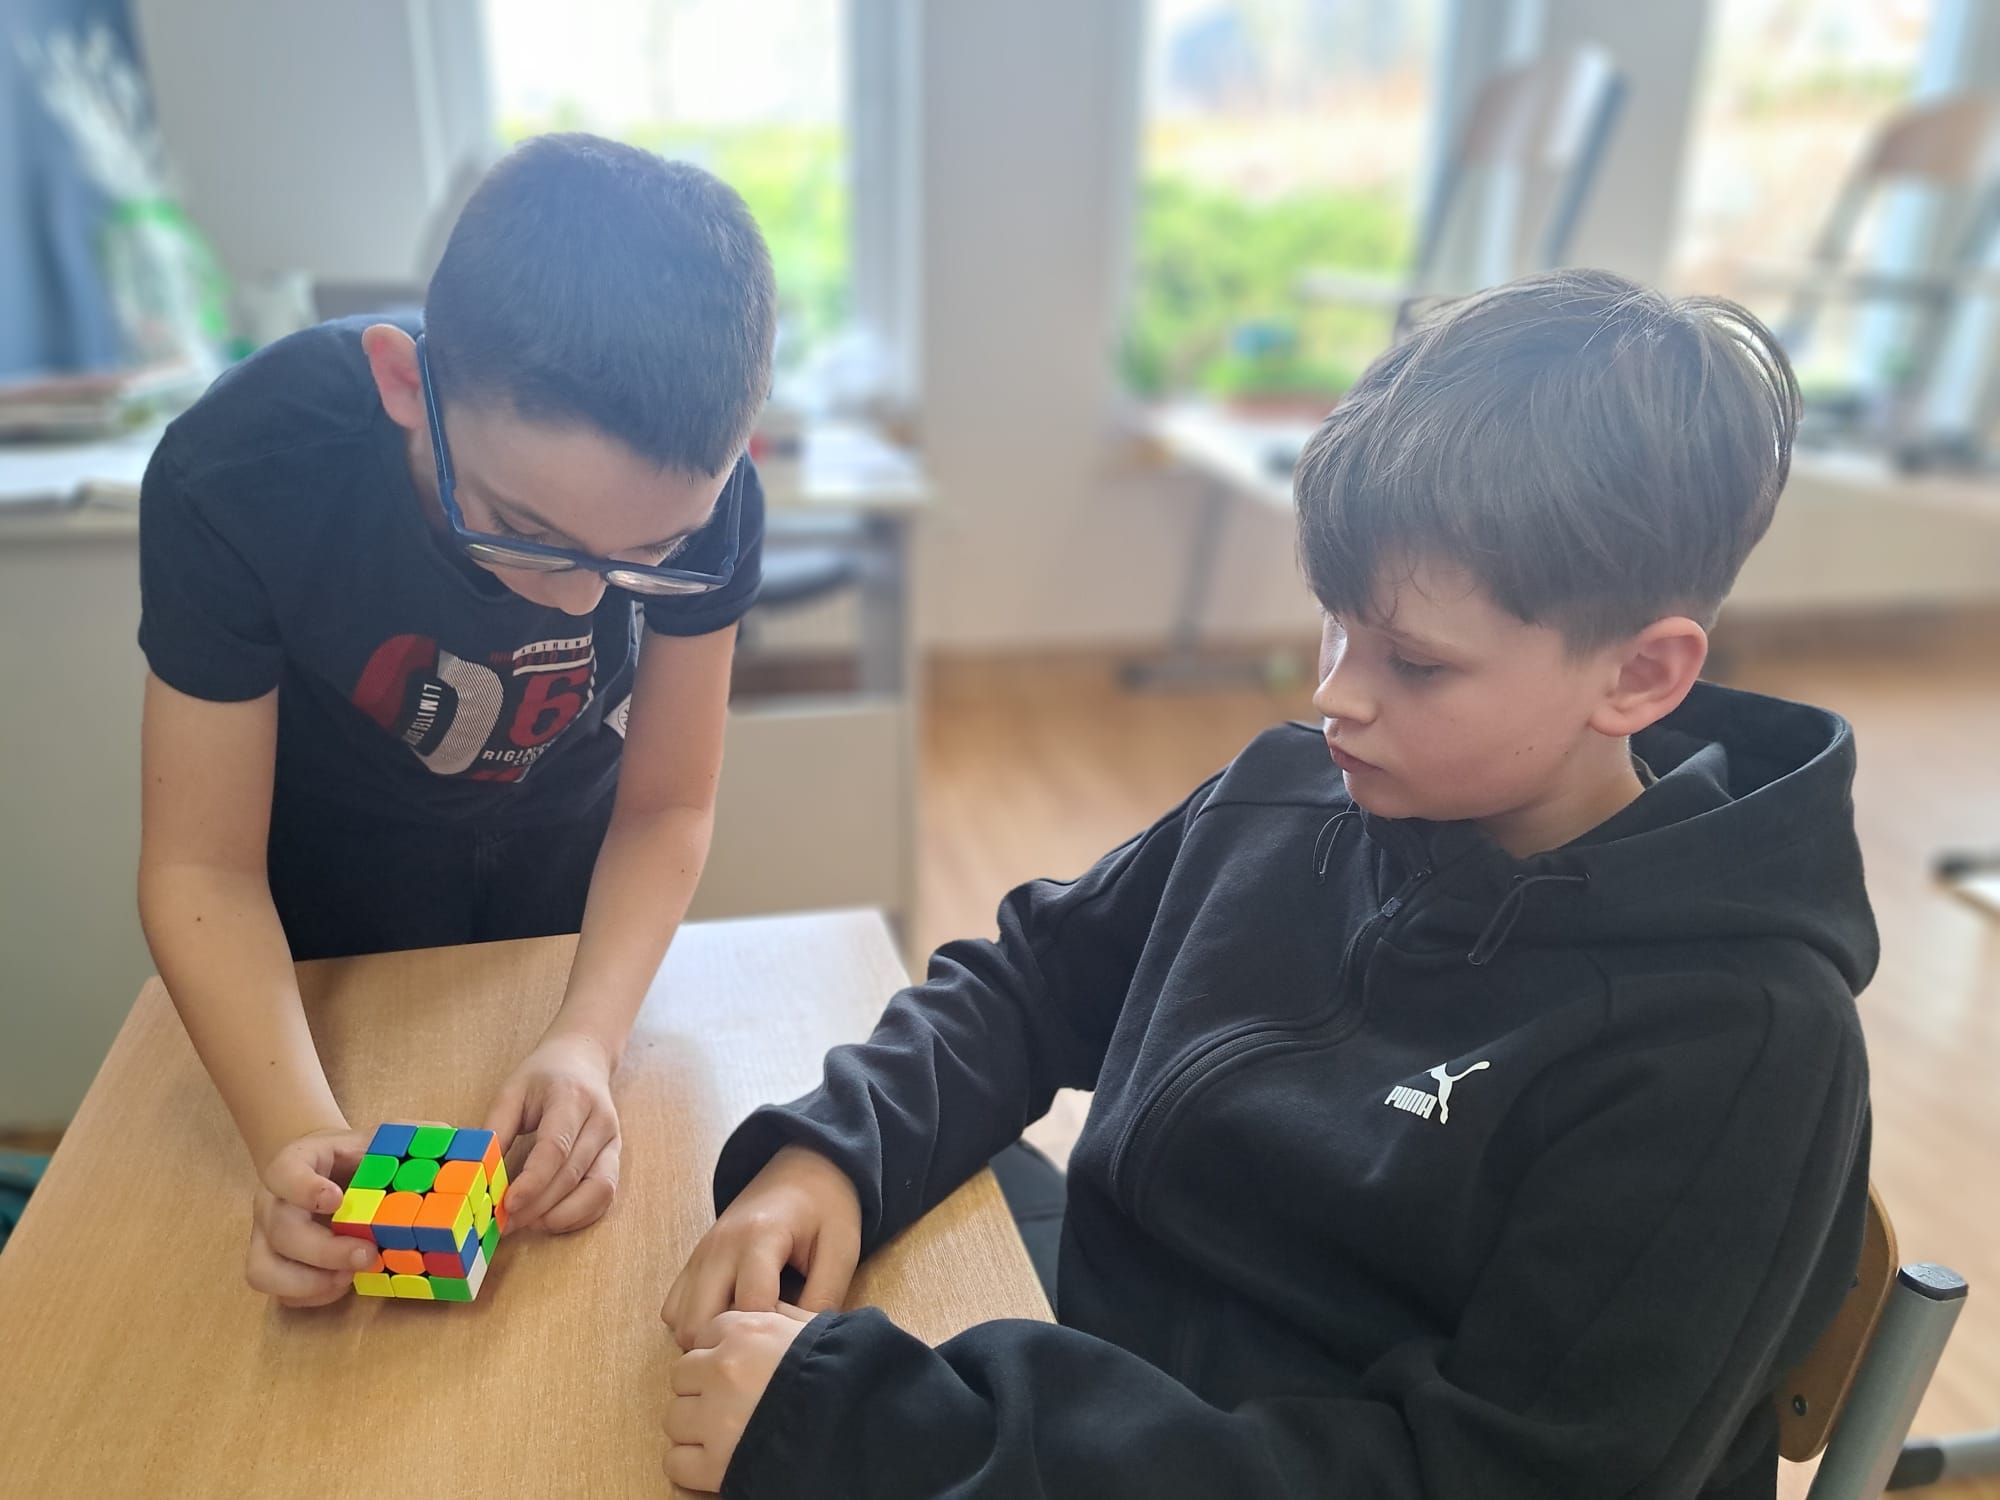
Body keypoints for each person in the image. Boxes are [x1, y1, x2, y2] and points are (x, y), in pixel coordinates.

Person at [659, 269, 1874, 1499]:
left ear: (1638, 676)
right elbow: (1031, 983)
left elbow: (1494, 1477)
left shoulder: (1737, 1042)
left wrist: (900, 1434)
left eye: (1412, 662)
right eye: (1333, 620)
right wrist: (837, 1154)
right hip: (1108, 1394)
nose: (1333, 692)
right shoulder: (1290, 790)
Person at [135, 134, 771, 1306]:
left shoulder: (711, 494)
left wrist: (586, 1041)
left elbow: (668, 804)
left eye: (649, 553)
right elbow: (200, 868)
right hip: (328, 894)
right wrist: (294, 1137)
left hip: (565, 868)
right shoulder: (242, 472)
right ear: (402, 384)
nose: (581, 602)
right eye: (524, 530)